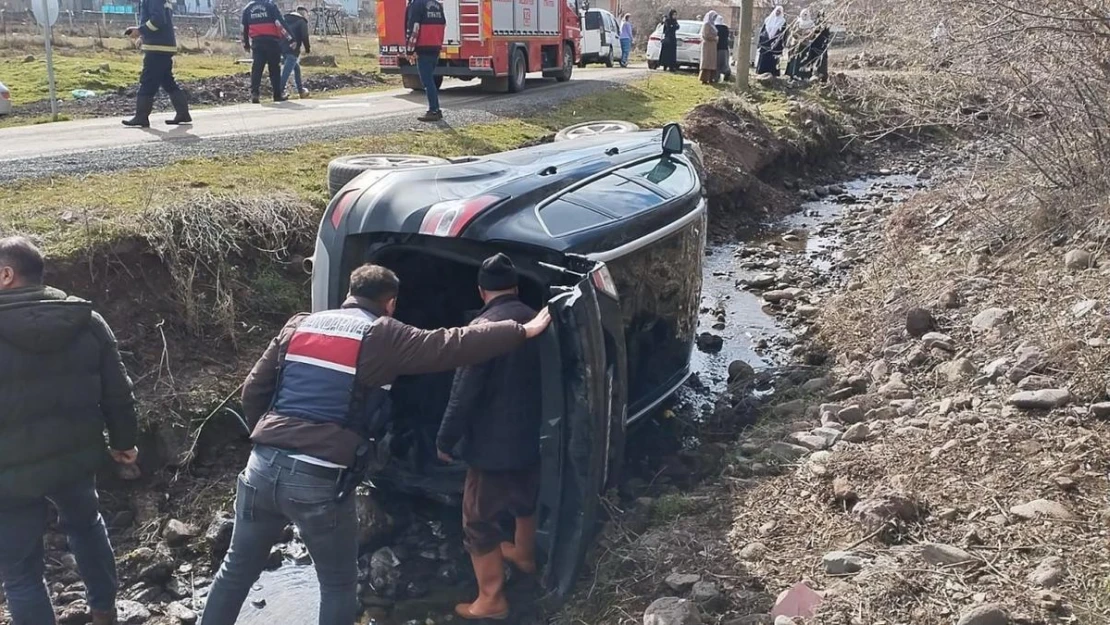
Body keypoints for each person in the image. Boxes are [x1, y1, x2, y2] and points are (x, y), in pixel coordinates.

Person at [199, 263, 552, 625]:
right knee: (338, 584)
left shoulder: (300, 323)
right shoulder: (382, 334)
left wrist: (270, 439)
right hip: (319, 480)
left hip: (260, 468)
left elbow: (253, 391)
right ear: (391, 303)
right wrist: (521, 330)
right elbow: (453, 344)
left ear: (348, 293)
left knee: (235, 570)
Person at [0, 237, 139, 625]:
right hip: (74, 458)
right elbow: (119, 391)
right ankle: (104, 614)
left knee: (21, 570)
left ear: (7, 274)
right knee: (88, 528)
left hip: (8, 472)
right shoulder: (86, 320)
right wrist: (124, 442)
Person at [436, 254, 543, 621]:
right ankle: (524, 555)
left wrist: (445, 440)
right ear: (515, 287)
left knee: (478, 521)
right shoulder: (538, 317)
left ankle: (491, 600)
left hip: (492, 444)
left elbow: (462, 393)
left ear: (482, 292)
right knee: (524, 498)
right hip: (534, 434)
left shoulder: (481, 330)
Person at [121, 0, 192, 127]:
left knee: (148, 80)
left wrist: (140, 31)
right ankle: (183, 113)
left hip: (157, 48)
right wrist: (143, 36)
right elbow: (161, 20)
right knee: (167, 81)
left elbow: (158, 20)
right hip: (163, 46)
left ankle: (141, 116)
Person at [242, 0, 292, 103]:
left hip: (257, 42)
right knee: (274, 69)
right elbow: (280, 23)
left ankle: (255, 94)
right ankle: (277, 95)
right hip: (272, 42)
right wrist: (290, 38)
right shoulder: (270, 5)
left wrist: (246, 44)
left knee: (257, 69)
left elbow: (244, 28)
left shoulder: (247, 8)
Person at [406, 0, 446, 122]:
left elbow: (414, 28)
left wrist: (409, 50)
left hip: (423, 49)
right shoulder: (438, 5)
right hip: (435, 48)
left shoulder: (417, 5)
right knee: (430, 80)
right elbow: (443, 25)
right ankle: (435, 109)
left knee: (427, 81)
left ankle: (434, 110)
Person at [280, 5, 312, 99]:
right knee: (287, 71)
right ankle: (279, 91)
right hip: (293, 50)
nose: (307, 17)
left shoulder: (284, 19)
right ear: (304, 14)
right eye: (307, 14)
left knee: (296, 69)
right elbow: (305, 36)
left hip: (282, 48)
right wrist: (307, 49)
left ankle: (301, 90)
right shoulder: (302, 22)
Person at [785, 7, 817, 79]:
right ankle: (793, 74)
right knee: (795, 59)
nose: (805, 15)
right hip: (796, 43)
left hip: (806, 44)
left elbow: (813, 34)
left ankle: (803, 75)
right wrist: (798, 38)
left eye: (806, 14)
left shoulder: (811, 24)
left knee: (804, 59)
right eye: (803, 14)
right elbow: (793, 32)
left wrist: (806, 37)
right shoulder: (798, 22)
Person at [756, 5, 786, 76]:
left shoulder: (783, 22)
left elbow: (783, 34)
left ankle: (773, 73)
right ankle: (761, 71)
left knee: (772, 59)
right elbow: (762, 31)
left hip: (775, 43)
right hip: (766, 42)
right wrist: (761, 41)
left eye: (779, 11)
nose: (778, 12)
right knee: (764, 57)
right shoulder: (768, 20)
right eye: (777, 11)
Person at [698, 11, 719, 84]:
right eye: (713, 17)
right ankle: (704, 78)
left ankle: (711, 78)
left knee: (712, 61)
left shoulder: (712, 25)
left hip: (712, 45)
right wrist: (714, 38)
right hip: (707, 45)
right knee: (707, 61)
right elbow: (706, 35)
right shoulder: (706, 24)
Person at [714, 14, 731, 82]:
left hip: (717, 47)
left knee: (717, 64)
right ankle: (727, 74)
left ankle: (716, 77)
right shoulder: (725, 28)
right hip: (725, 47)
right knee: (724, 63)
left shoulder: (715, 27)